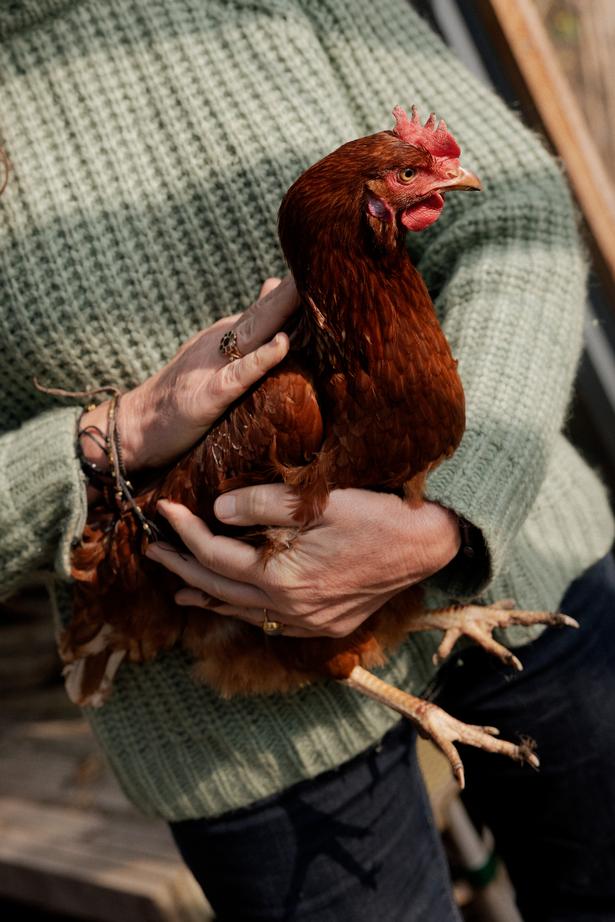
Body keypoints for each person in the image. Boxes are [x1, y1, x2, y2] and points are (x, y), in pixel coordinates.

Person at [1, 0, 613, 919]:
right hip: (232, 719)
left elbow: (518, 216)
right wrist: (111, 439)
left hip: (525, 573)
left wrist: (456, 509)